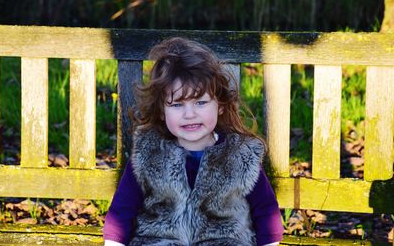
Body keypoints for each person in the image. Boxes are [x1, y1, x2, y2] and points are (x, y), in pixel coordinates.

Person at [103, 37, 284, 246]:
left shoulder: (239, 155)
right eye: (177, 105)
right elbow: (122, 211)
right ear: (162, 111)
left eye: (201, 102)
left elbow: (266, 211)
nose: (190, 114)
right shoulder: (150, 153)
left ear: (221, 106)